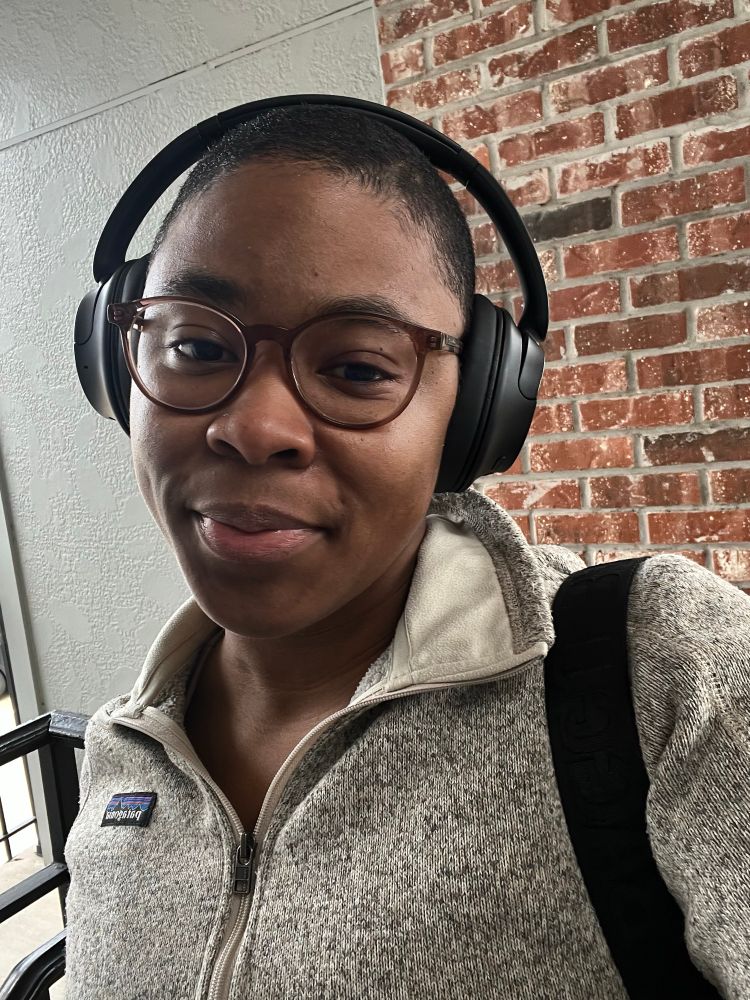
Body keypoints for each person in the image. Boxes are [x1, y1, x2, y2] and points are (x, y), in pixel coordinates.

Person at [63, 104, 749, 999]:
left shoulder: (665, 668)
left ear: (473, 419)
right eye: (194, 345)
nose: (255, 426)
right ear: (120, 370)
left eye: (356, 368)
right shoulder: (123, 754)